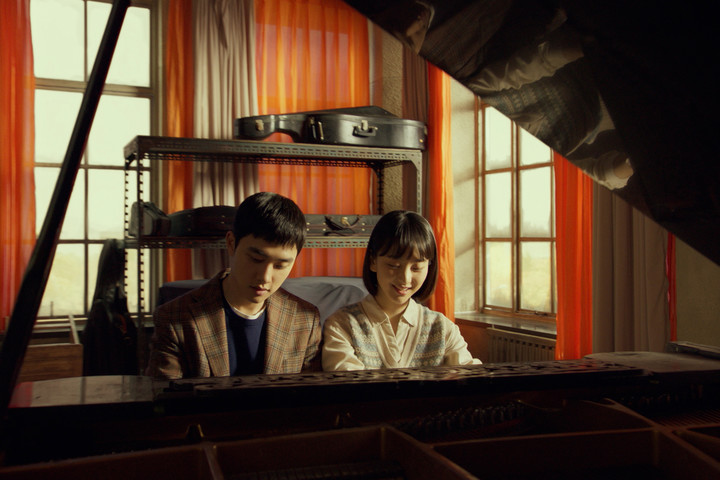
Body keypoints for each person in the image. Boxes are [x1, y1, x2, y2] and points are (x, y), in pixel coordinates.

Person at [146, 192, 322, 379]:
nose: (265, 277)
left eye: (280, 266)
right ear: (231, 243)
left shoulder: (305, 320)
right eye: (256, 259)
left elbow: (310, 394)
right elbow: (165, 395)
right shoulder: (175, 318)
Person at [322, 210, 480, 371]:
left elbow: (470, 377)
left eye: (416, 268)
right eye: (394, 265)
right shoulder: (342, 324)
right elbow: (347, 382)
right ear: (373, 261)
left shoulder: (441, 328)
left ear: (429, 267)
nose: (405, 278)